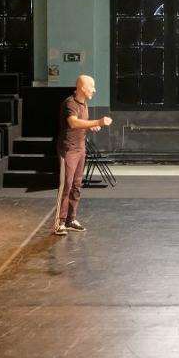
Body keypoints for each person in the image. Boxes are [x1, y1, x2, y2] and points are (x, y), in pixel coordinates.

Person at [54, 74, 112, 236]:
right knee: (66, 186)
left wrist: (89, 127)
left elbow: (79, 124)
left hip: (80, 149)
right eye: (92, 86)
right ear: (82, 88)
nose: (94, 89)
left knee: (76, 186)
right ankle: (59, 223)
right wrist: (97, 122)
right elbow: (73, 122)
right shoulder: (70, 103)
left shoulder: (83, 103)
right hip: (69, 150)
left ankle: (71, 220)